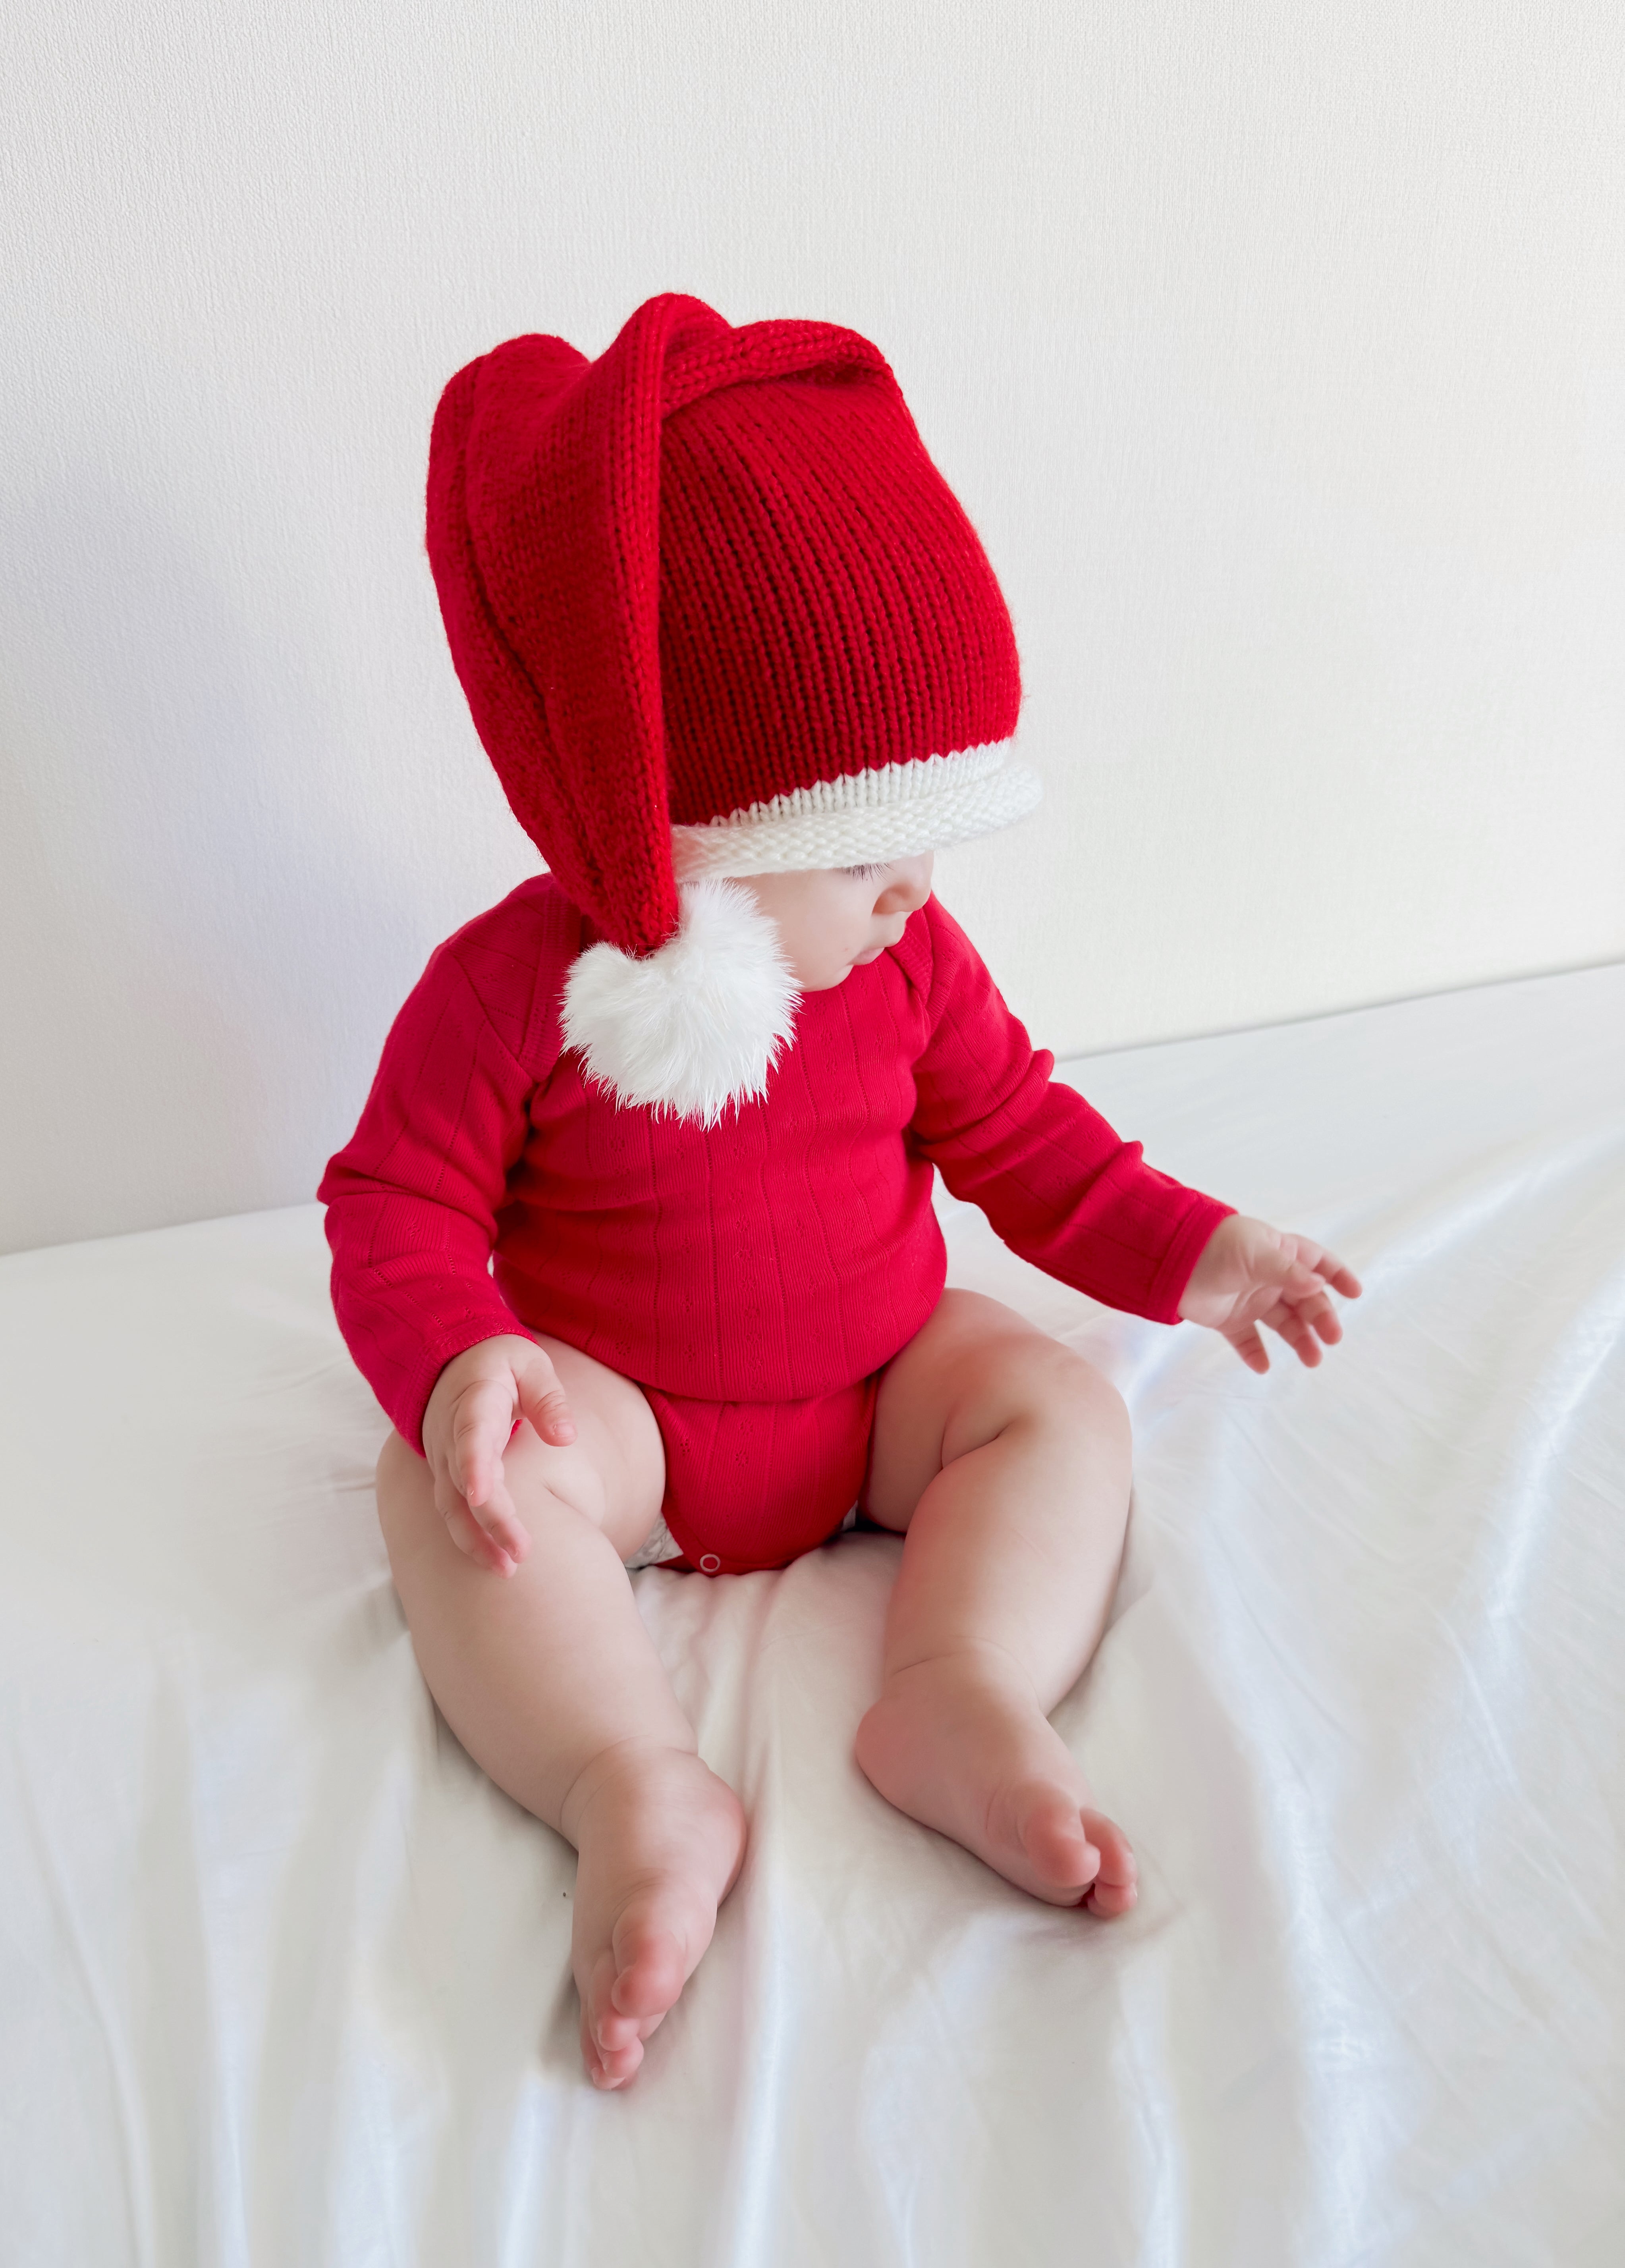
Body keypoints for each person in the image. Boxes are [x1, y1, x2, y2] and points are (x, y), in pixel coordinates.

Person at [319, 295, 1361, 2092]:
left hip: (881, 1393)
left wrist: (1199, 1252)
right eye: (860, 851)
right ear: (676, 843)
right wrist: (461, 1357)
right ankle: (628, 1778)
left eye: (929, 839)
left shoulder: (911, 967)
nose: (912, 892)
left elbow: (1027, 1139)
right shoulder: (516, 991)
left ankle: (958, 1686)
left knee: (1053, 1402)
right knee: (455, 1489)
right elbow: (393, 1203)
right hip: (630, 1424)